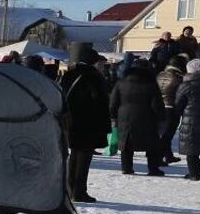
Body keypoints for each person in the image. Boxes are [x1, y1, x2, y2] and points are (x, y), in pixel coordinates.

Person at [59, 43, 112, 202]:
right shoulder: (94, 76)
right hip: (89, 122)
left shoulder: (68, 74)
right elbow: (99, 99)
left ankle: (69, 188)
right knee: (84, 158)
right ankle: (79, 191)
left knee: (74, 155)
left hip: (70, 121)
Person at [110, 58, 165, 176]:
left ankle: (126, 168)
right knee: (152, 144)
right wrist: (161, 118)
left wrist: (113, 116)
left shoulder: (121, 82)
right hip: (147, 117)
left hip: (124, 116)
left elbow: (113, 102)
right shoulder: (151, 84)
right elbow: (157, 104)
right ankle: (153, 169)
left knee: (126, 143)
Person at [173, 59, 200, 180]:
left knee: (192, 148)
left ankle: (194, 173)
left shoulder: (185, 85)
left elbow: (178, 104)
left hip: (190, 121)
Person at [156, 55, 187, 165]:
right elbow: (181, 94)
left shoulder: (160, 75)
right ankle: (159, 158)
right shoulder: (179, 78)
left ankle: (168, 155)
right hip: (171, 107)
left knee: (164, 133)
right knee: (168, 134)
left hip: (160, 107)